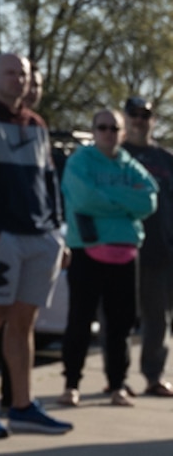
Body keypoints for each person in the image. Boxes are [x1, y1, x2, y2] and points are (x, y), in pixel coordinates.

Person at [0, 52, 73, 439]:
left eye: (22, 73)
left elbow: (50, 181)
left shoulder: (36, 123)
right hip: (0, 237)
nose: (17, 79)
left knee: (25, 323)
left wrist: (57, 230)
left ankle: (22, 406)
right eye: (9, 72)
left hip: (40, 236)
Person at [59, 106, 159, 406]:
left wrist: (109, 200)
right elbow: (84, 198)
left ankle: (117, 384)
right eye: (102, 127)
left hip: (126, 252)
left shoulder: (130, 164)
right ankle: (71, 385)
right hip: (86, 250)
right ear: (93, 131)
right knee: (80, 320)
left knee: (121, 323)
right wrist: (125, 205)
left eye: (114, 129)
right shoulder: (80, 161)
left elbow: (149, 199)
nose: (108, 133)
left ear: (122, 133)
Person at [121, 96, 173, 397]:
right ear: (125, 118)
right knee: (119, 317)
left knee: (158, 318)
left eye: (145, 115)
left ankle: (153, 376)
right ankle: (118, 378)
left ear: (153, 120)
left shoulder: (166, 159)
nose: (140, 120)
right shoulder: (116, 155)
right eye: (134, 114)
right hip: (121, 249)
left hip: (160, 251)